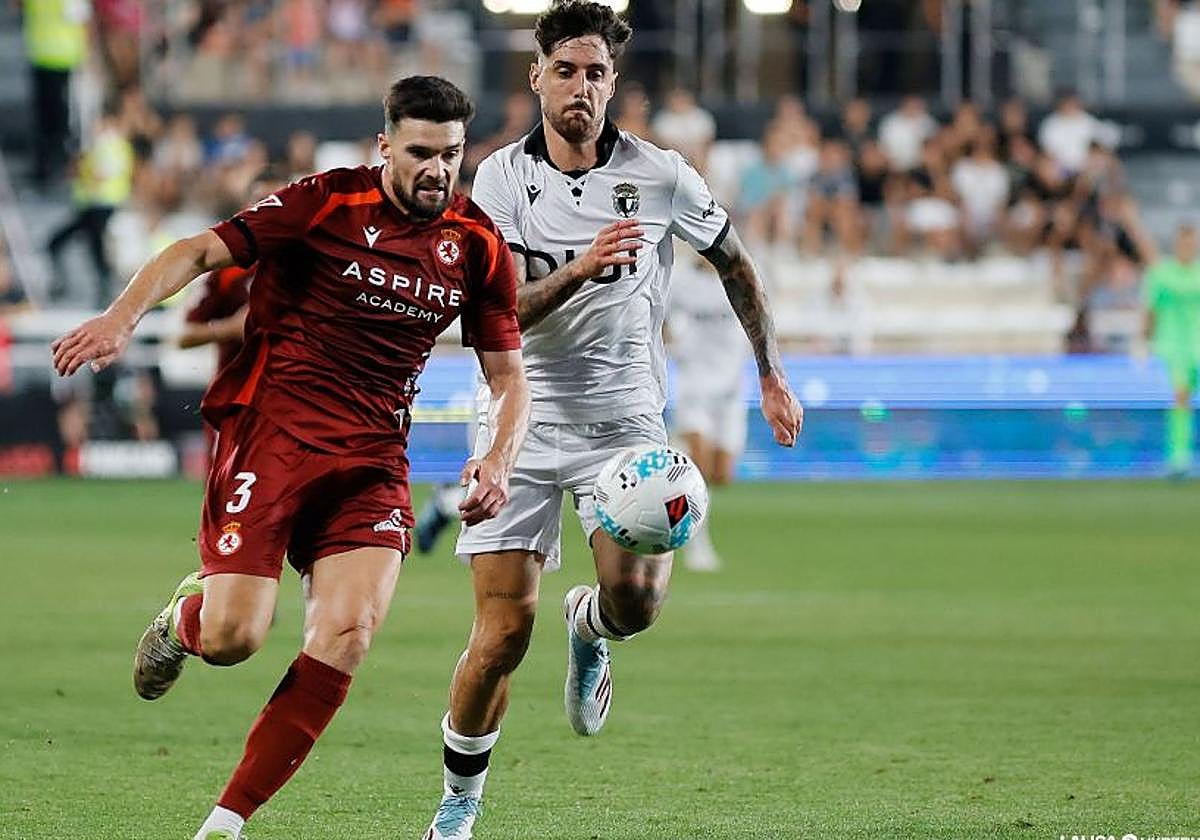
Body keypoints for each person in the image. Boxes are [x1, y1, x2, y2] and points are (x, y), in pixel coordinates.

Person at [50, 75, 531, 840]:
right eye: (419, 153)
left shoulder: (476, 246)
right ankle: (185, 620)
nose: (437, 169)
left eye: (451, 154)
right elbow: (199, 249)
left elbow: (508, 377)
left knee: (348, 631)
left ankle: (224, 823)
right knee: (235, 638)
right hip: (273, 436)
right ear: (384, 147)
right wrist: (121, 315)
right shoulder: (327, 202)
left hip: (372, 459)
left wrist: (498, 457)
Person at [420, 4, 804, 838]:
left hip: (625, 420)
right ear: (537, 77)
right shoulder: (495, 182)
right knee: (499, 634)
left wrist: (771, 373)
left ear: (612, 83)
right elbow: (495, 316)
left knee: (638, 606)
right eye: (567, 71)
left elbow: (735, 263)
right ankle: (458, 805)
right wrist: (586, 268)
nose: (582, 88)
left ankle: (590, 625)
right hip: (519, 413)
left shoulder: (662, 174)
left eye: (596, 74)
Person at [667, 245, 749, 572]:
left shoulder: (739, 275)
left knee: (721, 475)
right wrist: (673, 344)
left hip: (730, 390)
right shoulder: (681, 280)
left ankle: (674, 447)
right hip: (695, 387)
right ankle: (696, 546)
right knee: (697, 472)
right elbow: (657, 315)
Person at [1142, 223, 1200, 478]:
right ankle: (1179, 457)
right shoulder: (1162, 274)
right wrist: (1144, 341)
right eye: (1183, 242)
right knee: (1181, 399)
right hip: (1175, 346)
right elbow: (1150, 311)